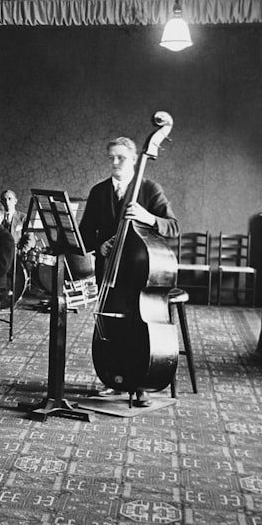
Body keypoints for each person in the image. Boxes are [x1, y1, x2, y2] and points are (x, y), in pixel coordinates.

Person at [78, 136, 180, 406]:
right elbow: (85, 235)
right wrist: (99, 246)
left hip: (139, 274)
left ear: (135, 160)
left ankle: (140, 382)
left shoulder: (149, 188)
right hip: (109, 273)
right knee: (112, 325)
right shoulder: (99, 191)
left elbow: (173, 227)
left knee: (137, 326)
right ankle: (114, 378)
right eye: (111, 157)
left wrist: (148, 217)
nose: (114, 162)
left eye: (120, 157)